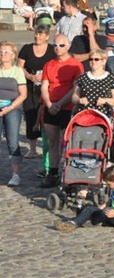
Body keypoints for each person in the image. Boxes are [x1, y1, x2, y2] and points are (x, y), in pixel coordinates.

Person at [40, 34, 84, 188]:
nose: (58, 48)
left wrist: (58, 104)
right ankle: (53, 173)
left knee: (67, 143)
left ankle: (69, 174)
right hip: (50, 107)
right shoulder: (49, 64)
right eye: (55, 45)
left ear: (69, 45)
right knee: (52, 143)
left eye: (61, 45)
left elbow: (75, 88)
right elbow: (44, 86)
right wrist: (49, 104)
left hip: (67, 108)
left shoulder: (75, 65)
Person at [54, 166, 114, 232]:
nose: (108, 186)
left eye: (108, 184)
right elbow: (110, 201)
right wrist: (100, 207)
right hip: (113, 213)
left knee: (105, 211)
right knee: (89, 208)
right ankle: (75, 221)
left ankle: (88, 221)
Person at [17, 25, 55, 159]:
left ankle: (50, 146)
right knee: (30, 115)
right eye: (36, 34)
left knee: (47, 115)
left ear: (47, 36)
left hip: (48, 87)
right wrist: (29, 76)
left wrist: (45, 76)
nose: (37, 37)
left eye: (41, 34)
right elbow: (19, 66)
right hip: (30, 87)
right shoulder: (27, 49)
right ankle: (32, 149)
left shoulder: (52, 50)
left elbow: (56, 66)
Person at [0, 42, 27, 186]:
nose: (2, 54)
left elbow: (23, 94)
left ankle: (16, 174)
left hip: (13, 108)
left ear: (13, 55)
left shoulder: (17, 71)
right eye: (1, 51)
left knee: (12, 141)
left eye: (6, 52)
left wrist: (9, 108)